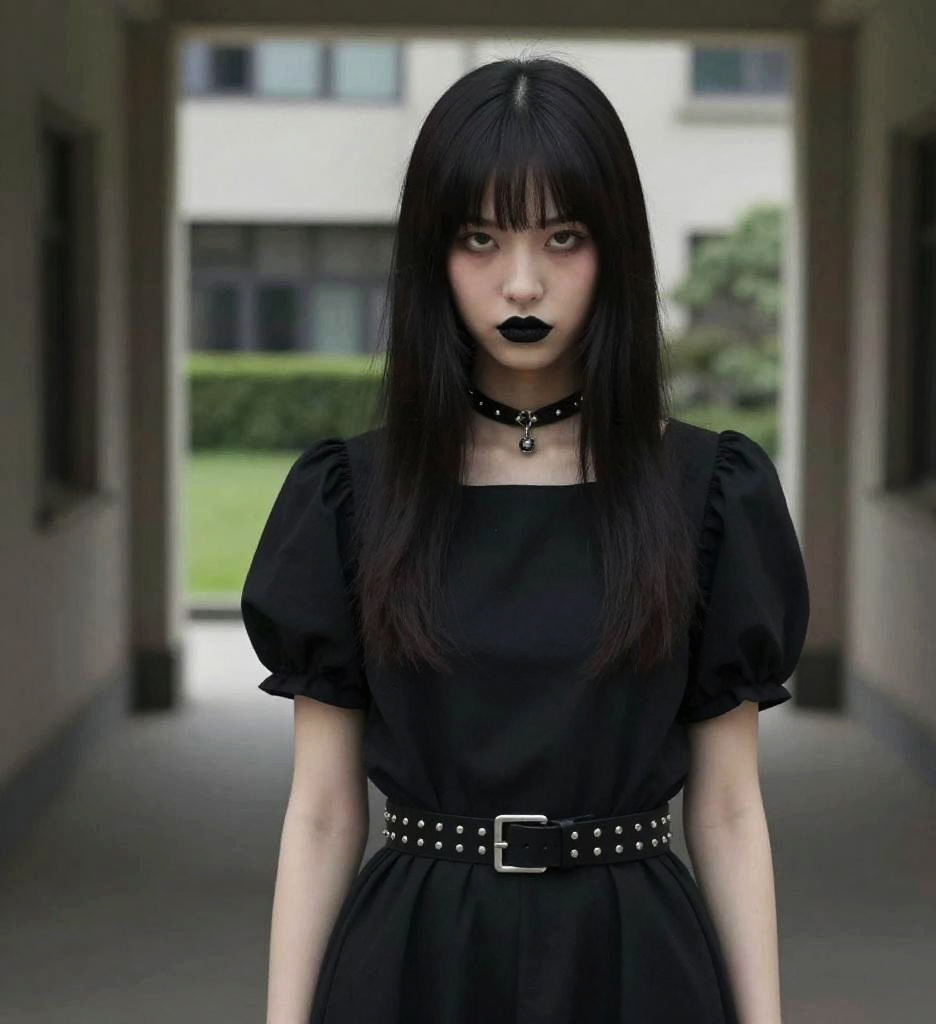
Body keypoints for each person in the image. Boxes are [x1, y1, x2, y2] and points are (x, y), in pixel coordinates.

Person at [241, 55, 810, 1024]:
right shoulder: (351, 497)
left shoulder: (708, 493)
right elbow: (324, 811)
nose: (521, 282)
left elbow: (725, 808)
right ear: (432, 254)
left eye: (562, 237)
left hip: (632, 963)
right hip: (415, 962)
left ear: (615, 250)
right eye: (480, 238)